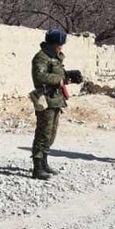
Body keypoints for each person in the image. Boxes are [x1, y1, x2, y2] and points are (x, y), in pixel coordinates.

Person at [30, 29, 83, 180]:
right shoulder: (41, 57)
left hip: (56, 99)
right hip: (45, 99)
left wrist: (69, 75)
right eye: (59, 45)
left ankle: (44, 162)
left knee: (51, 133)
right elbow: (40, 76)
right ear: (53, 44)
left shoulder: (55, 57)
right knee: (43, 133)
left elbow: (58, 74)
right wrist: (60, 79)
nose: (61, 47)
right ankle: (37, 167)